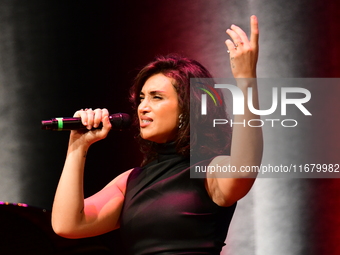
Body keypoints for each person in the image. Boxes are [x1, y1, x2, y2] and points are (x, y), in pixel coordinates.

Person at [51, 15, 263, 254]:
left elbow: (244, 167)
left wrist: (246, 80)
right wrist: (78, 145)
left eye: (156, 97)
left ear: (188, 108)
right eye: (141, 98)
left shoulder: (209, 171)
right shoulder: (130, 181)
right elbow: (67, 225)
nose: (142, 107)